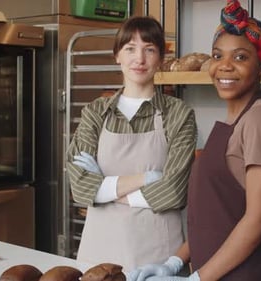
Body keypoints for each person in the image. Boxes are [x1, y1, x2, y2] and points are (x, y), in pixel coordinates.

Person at [127, 1, 261, 280]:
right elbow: (214, 220)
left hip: (246, 274)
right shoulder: (229, 122)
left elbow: (259, 219)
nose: (224, 67)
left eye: (240, 57)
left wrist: (200, 278)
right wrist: (175, 261)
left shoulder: (258, 121)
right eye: (217, 55)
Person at [66, 15, 197, 271]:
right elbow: (80, 188)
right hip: (99, 252)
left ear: (160, 59)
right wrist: (148, 178)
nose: (140, 59)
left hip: (158, 255)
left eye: (149, 49)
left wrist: (105, 189)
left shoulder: (178, 113)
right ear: (117, 56)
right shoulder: (95, 111)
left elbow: (174, 191)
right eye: (130, 49)